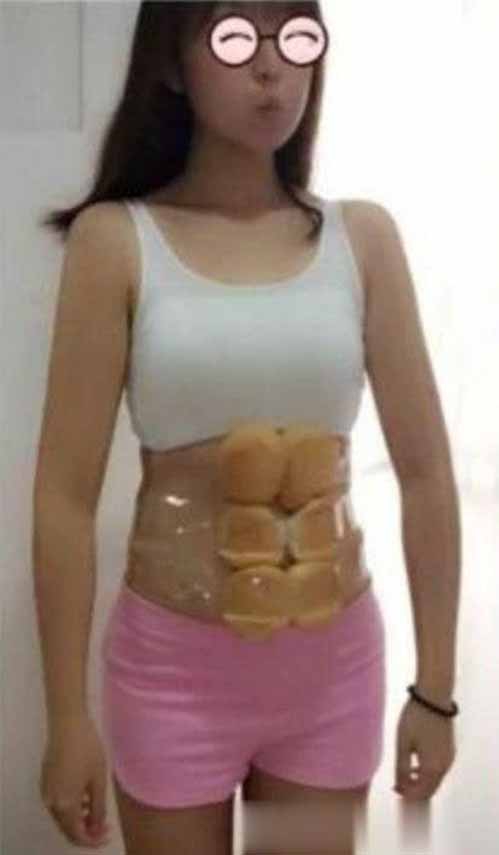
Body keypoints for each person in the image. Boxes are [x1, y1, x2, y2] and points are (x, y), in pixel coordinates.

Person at [33, 1, 460, 853]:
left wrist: (435, 691)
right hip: (171, 674)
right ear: (170, 62)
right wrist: (67, 718)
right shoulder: (116, 242)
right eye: (234, 37)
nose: (271, 65)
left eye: (294, 36)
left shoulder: (362, 238)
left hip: (331, 671)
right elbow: (64, 498)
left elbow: (425, 477)